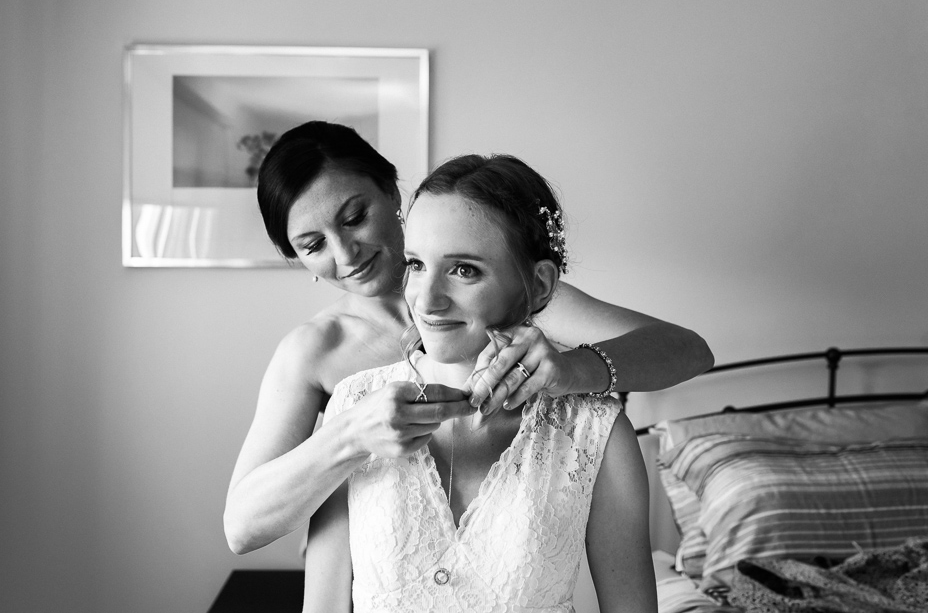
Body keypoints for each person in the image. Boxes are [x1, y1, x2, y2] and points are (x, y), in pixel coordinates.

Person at [224, 121, 712, 555]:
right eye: (313, 245)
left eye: (354, 217)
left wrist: (572, 368)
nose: (345, 252)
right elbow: (242, 529)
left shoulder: (513, 296)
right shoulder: (314, 352)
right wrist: (349, 434)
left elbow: (689, 350)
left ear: (394, 196)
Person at [303, 154, 657, 612]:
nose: (426, 300)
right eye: (415, 264)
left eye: (463, 269)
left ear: (540, 284)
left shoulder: (596, 431)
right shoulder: (355, 403)